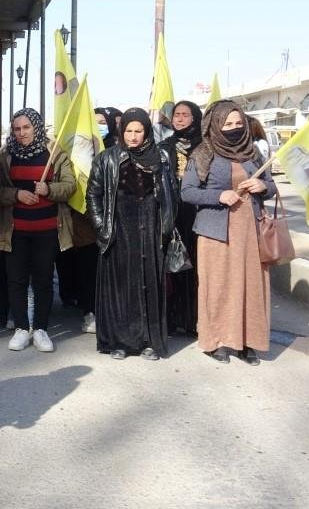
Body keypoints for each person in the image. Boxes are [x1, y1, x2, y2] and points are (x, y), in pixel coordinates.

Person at [182, 100, 275, 365]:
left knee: (250, 287)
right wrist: (218, 195)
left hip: (250, 232)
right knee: (219, 287)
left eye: (238, 123)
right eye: (227, 124)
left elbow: (271, 186)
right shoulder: (203, 153)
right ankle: (216, 341)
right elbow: (187, 192)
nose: (234, 128)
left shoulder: (253, 152)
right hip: (216, 233)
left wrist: (262, 187)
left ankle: (247, 342)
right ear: (215, 125)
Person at [86, 108, 177, 360]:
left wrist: (165, 226)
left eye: (138, 131)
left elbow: (172, 193)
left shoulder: (160, 157)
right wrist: (102, 227)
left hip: (151, 231)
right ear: (121, 131)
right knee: (120, 289)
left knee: (148, 287)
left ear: (146, 132)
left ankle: (149, 341)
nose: (133, 136)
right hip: (118, 231)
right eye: (128, 131)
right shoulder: (107, 158)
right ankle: (120, 342)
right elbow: (93, 195)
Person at [0, 108, 74, 353]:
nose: (22, 133)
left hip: (47, 229)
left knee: (43, 280)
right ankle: (20, 328)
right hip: (14, 230)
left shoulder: (54, 152)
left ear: (36, 127)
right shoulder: (5, 155)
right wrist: (16, 194)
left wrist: (49, 189)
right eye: (17, 128)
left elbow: (70, 186)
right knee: (15, 279)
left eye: (26, 127)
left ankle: (40, 329)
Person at [162, 100, 203, 335]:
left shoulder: (205, 147)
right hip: (174, 213)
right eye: (176, 114)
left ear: (195, 117)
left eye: (185, 114)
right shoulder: (165, 146)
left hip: (198, 213)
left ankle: (193, 319)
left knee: (196, 268)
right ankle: (172, 317)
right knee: (174, 266)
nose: (179, 118)